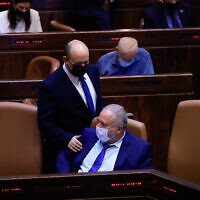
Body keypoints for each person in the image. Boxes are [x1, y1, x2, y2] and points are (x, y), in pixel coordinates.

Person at [38, 40, 105, 173]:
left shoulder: (92, 71)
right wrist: (66, 138)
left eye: (86, 63)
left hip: (96, 143)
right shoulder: (51, 85)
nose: (83, 67)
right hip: (69, 149)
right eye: (78, 64)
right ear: (65, 60)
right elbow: (45, 123)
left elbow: (98, 103)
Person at [56, 104, 153, 173]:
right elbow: (65, 154)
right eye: (98, 121)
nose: (97, 126)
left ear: (118, 129)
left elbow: (144, 180)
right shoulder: (88, 134)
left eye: (103, 124)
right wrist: (66, 181)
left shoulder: (140, 149)